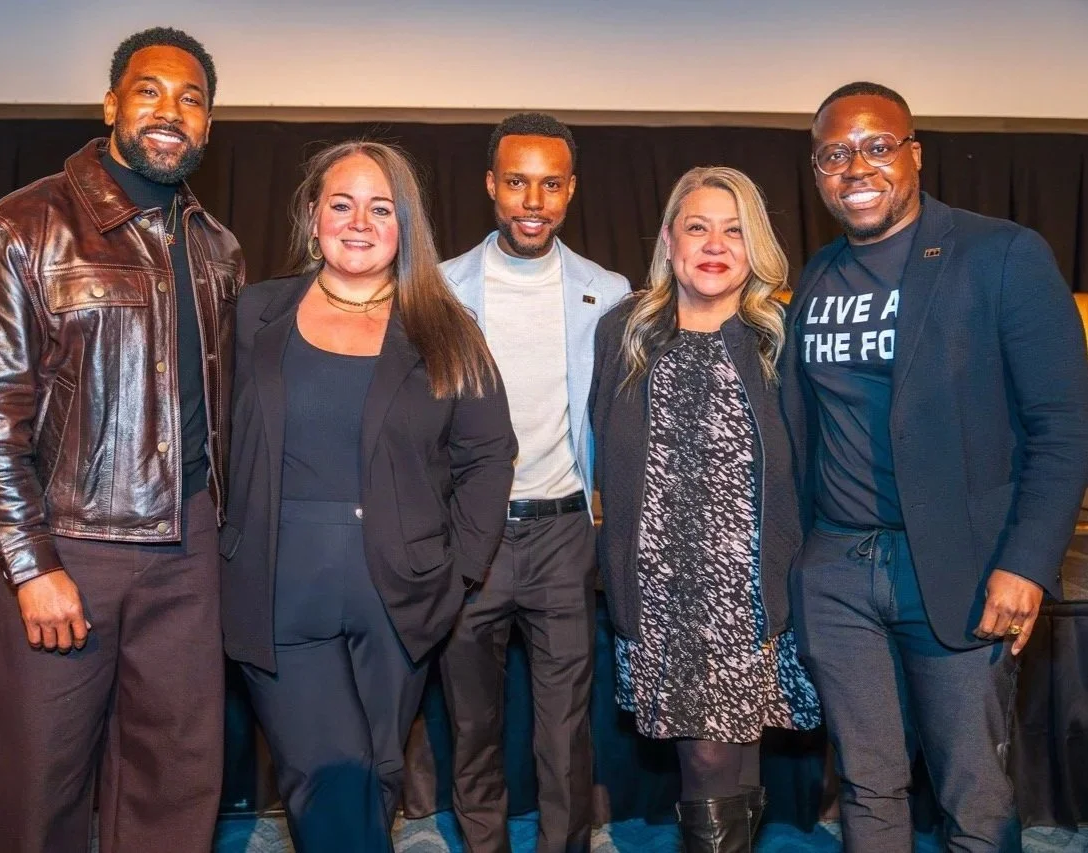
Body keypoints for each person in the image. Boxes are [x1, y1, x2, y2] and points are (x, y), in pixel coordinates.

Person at [0, 27, 242, 853]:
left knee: (174, 783)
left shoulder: (218, 247)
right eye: (149, 90)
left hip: (191, 552)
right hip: (72, 549)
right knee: (38, 784)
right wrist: (31, 564)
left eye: (191, 99)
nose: (169, 111)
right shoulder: (19, 227)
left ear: (209, 125)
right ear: (111, 103)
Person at [781, 81, 1088, 852]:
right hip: (838, 569)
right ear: (816, 170)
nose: (856, 166)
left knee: (972, 797)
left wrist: (1024, 562)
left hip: (956, 565)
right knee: (866, 783)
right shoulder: (815, 275)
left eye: (877, 145)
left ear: (913, 152)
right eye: (833, 153)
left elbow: (1061, 423)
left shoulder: (1001, 253)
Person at [220, 140, 517, 852]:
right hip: (278, 585)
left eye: (380, 207)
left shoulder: (447, 329)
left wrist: (461, 571)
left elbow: (487, 454)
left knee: (380, 771)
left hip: (404, 594)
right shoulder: (254, 314)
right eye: (341, 202)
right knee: (327, 771)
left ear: (404, 222)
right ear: (312, 213)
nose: (359, 221)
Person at [589, 166, 821, 853]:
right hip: (664, 587)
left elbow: (810, 456)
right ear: (669, 239)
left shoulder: (780, 333)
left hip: (754, 585)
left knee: (734, 747)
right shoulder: (625, 331)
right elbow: (602, 441)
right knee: (712, 755)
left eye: (733, 230)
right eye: (698, 227)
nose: (714, 244)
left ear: (754, 247)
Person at [439, 112, 630, 853]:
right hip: (470, 536)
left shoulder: (606, 292)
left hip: (562, 535)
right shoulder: (440, 288)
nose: (532, 200)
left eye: (550, 184)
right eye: (516, 181)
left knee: (563, 729)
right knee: (471, 721)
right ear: (491, 186)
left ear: (571, 190)